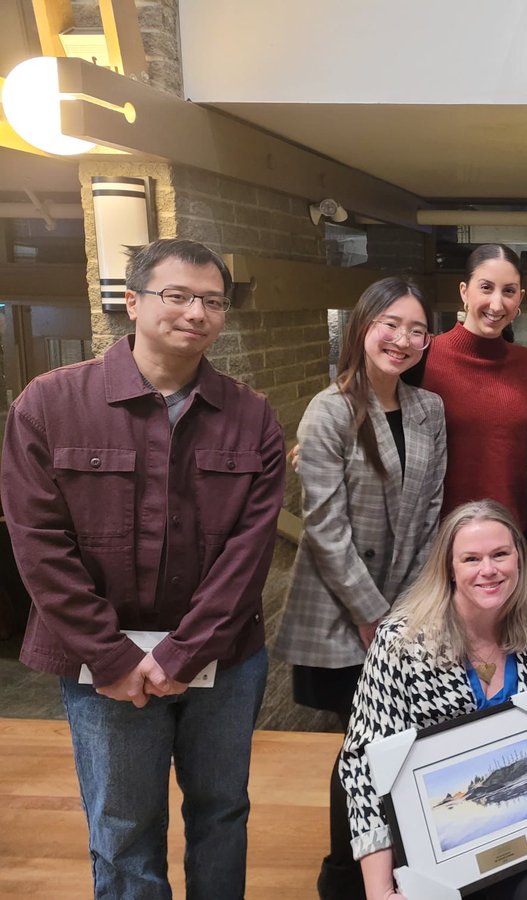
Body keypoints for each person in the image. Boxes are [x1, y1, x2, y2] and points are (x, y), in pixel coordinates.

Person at [1, 238, 285, 898]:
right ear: (132, 302)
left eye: (212, 301)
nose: (196, 313)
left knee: (221, 813)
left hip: (223, 656)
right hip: (104, 660)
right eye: (178, 296)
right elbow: (39, 544)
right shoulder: (49, 404)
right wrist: (112, 656)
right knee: (125, 826)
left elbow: (250, 551)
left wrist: (186, 650)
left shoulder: (251, 415)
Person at [273, 277, 446, 899]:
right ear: (362, 327)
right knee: (363, 746)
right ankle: (345, 875)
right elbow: (323, 526)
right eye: (390, 324)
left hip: (408, 607)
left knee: (406, 741)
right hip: (342, 614)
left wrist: (410, 609)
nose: (402, 339)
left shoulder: (430, 409)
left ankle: (404, 864)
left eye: (417, 329)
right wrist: (374, 616)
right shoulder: (329, 409)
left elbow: (431, 513)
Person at [338, 500, 527, 900]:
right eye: (471, 559)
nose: (489, 570)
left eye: (500, 554)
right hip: (436, 853)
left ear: (519, 557)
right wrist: (379, 891)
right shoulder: (402, 642)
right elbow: (362, 762)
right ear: (449, 568)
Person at [422, 244, 527, 528]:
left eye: (508, 291)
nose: (497, 304)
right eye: (486, 288)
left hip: (508, 532)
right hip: (442, 533)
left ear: (519, 297)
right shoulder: (424, 356)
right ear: (464, 291)